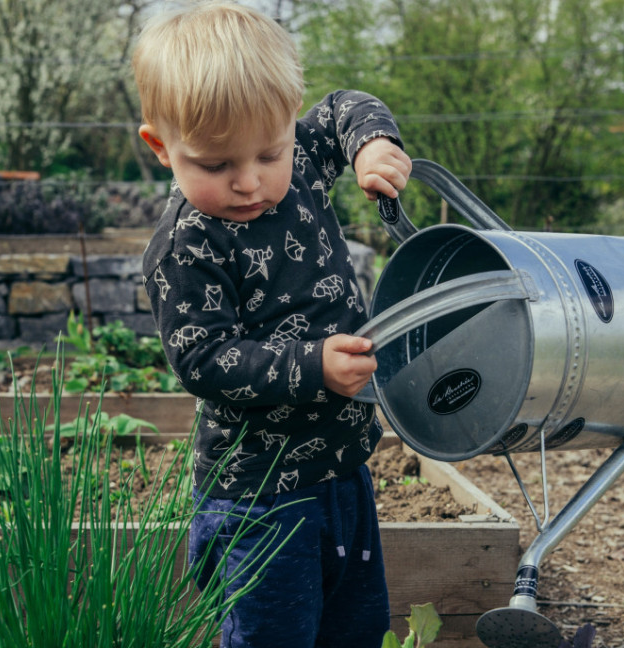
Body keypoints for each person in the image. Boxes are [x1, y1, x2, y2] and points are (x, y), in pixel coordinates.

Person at [133, 2, 411, 646]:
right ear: (160, 147)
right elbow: (203, 358)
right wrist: (313, 365)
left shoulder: (305, 160)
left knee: (356, 626)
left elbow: (345, 106)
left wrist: (371, 145)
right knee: (273, 634)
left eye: (269, 152)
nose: (249, 182)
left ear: (289, 125)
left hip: (344, 471)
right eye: (214, 165)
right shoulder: (187, 247)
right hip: (259, 496)